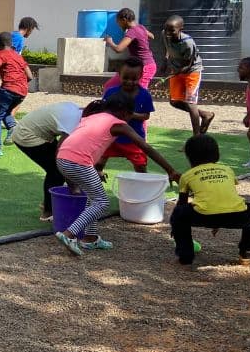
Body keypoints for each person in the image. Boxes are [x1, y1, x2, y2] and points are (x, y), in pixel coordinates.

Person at [54, 93, 180, 256]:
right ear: (125, 113)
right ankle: (69, 234)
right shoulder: (118, 123)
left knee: (94, 197)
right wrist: (170, 170)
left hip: (62, 158)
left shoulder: (92, 117)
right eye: (130, 115)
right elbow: (145, 147)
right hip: (78, 162)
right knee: (102, 202)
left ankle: (90, 238)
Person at [170, 134, 250, 266]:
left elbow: (182, 203)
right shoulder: (227, 170)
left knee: (179, 213)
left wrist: (176, 227)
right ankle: (246, 253)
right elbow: (224, 195)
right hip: (237, 216)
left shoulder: (187, 175)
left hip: (203, 216)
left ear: (189, 157)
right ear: (217, 154)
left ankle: (185, 256)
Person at [12, 102, 84, 221]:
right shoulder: (73, 122)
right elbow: (61, 152)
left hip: (33, 131)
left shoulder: (75, 110)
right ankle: (47, 211)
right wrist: (73, 187)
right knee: (56, 171)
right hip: (27, 135)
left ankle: (47, 203)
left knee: (58, 169)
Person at [0, 31, 33, 156]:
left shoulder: (0, 54)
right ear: (11, 43)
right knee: (6, 112)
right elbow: (29, 76)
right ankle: (13, 128)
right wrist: (20, 83)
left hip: (9, 89)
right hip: (22, 91)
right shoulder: (18, 56)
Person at [98, 58, 154, 174]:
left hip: (134, 138)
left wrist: (131, 115)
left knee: (141, 167)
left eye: (134, 79)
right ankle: (95, 181)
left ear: (140, 76)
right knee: (98, 161)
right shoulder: (111, 92)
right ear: (119, 75)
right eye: (126, 78)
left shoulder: (145, 95)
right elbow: (103, 110)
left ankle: (142, 186)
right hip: (112, 136)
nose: (129, 82)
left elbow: (146, 116)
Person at [162, 15, 214, 135]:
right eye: (166, 29)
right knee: (174, 101)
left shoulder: (188, 43)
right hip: (176, 69)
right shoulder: (164, 34)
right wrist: (165, 62)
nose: (168, 33)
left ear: (181, 29)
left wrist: (177, 71)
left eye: (172, 30)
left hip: (191, 71)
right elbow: (166, 47)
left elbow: (188, 64)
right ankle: (205, 115)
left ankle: (196, 138)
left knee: (191, 104)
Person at [103, 8, 156, 91]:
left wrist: (110, 42)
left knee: (139, 92)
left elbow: (119, 49)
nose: (118, 25)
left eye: (118, 22)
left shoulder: (132, 32)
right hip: (134, 66)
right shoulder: (140, 27)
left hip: (145, 67)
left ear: (124, 20)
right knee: (109, 86)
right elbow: (152, 36)